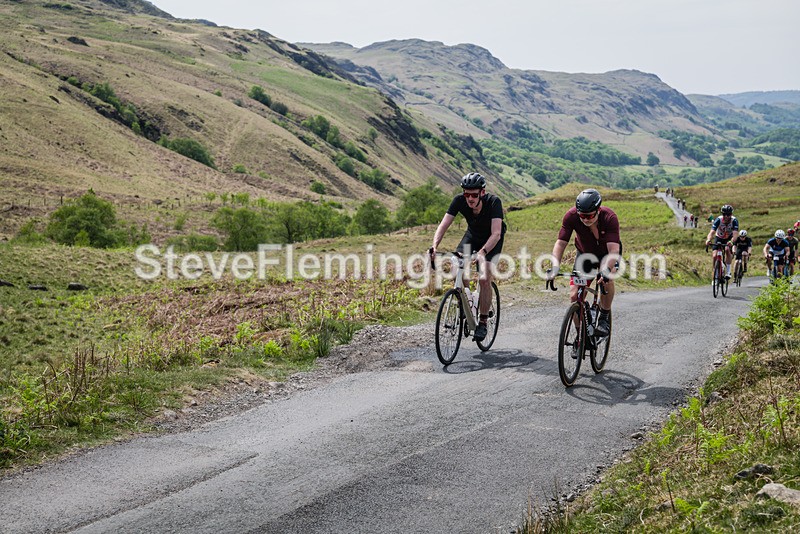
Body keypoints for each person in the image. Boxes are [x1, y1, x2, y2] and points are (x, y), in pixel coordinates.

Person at [430, 172, 506, 341]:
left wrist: (482, 253)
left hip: (491, 239)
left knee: (484, 277)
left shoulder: (494, 202)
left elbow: (496, 234)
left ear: (482, 193)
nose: (470, 198)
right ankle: (469, 301)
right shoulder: (459, 201)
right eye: (466, 194)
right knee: (457, 266)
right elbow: (444, 224)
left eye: (474, 195)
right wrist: (434, 246)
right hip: (472, 235)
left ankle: (483, 321)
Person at [547, 188, 621, 337]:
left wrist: (605, 270)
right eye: (582, 216)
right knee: (574, 296)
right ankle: (581, 334)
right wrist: (554, 267)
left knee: (608, 279)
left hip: (607, 255)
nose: (586, 219)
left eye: (590, 216)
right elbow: (561, 243)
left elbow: (613, 250)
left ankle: (604, 317)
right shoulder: (571, 216)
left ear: (598, 209)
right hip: (585, 255)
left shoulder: (609, 217)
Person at [705, 205, 739, 279]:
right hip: (719, 237)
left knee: (727, 249)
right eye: (724, 214)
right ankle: (715, 274)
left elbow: (735, 235)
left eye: (728, 214)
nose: (726, 216)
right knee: (714, 256)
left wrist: (731, 241)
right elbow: (712, 232)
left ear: (731, 214)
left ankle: (728, 271)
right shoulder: (718, 220)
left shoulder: (734, 221)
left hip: (729, 238)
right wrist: (708, 239)